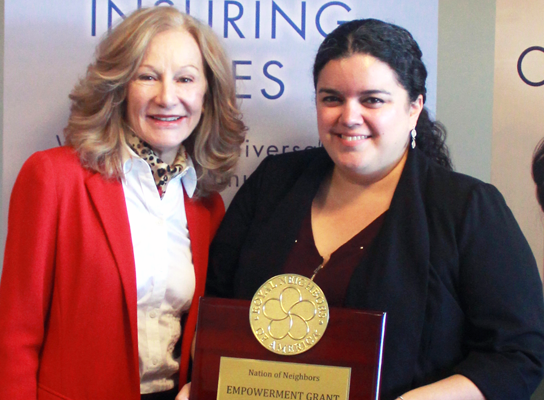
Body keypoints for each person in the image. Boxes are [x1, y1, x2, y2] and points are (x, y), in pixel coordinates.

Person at [206, 18, 544, 400]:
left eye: (372, 100)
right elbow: (215, 308)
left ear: (414, 108)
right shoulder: (273, 184)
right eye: (331, 98)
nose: (349, 116)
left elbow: (517, 353)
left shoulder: (467, 208)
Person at [0, 6, 245, 400]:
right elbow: (16, 338)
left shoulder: (206, 205)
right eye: (148, 76)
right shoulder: (53, 178)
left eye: (185, 79)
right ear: (120, 86)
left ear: (206, 94)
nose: (168, 97)